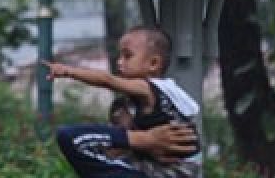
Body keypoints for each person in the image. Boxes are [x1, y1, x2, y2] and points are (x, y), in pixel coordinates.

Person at [45, 26, 201, 177]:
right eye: (119, 56)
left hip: (172, 171)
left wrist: (68, 71)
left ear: (153, 64)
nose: (119, 62)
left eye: (127, 56)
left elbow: (107, 80)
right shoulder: (129, 105)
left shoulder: (149, 87)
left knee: (70, 136)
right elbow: (117, 147)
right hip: (156, 168)